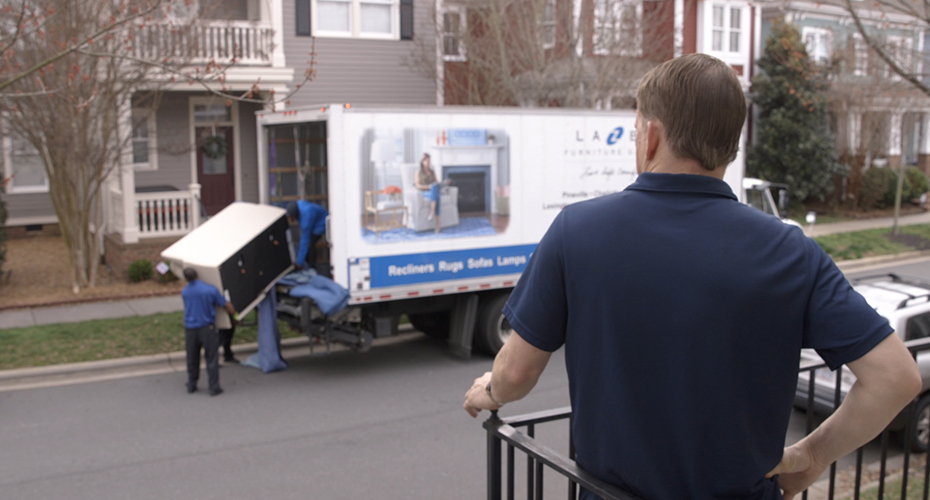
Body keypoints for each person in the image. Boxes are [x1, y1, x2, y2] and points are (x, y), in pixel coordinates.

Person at [463, 53, 921, 500]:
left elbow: (518, 371)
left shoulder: (577, 230)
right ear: (731, 145)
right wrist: (814, 454)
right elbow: (895, 378)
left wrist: (490, 392)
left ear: (651, 136)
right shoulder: (790, 251)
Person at [182, 268, 237, 396]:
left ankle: (192, 384)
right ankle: (214, 387)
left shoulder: (185, 291)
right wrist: (235, 316)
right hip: (207, 328)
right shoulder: (210, 290)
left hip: (190, 329)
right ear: (197, 275)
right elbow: (225, 304)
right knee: (211, 358)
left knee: (192, 358)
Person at [286, 200, 329, 271]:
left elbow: (305, 240)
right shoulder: (298, 206)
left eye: (292, 218)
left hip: (322, 223)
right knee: (307, 243)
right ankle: (307, 264)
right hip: (317, 218)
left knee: (310, 244)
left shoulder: (306, 217)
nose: (291, 220)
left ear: (295, 215)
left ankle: (312, 267)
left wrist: (298, 263)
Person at [414, 153, 447, 234]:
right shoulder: (418, 172)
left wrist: (442, 184)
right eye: (427, 161)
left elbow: (437, 182)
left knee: (435, 188)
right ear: (422, 162)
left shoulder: (432, 172)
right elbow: (417, 185)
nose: (429, 163)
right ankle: (437, 225)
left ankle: (432, 213)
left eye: (430, 161)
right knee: (435, 194)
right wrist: (428, 187)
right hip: (425, 192)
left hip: (434, 191)